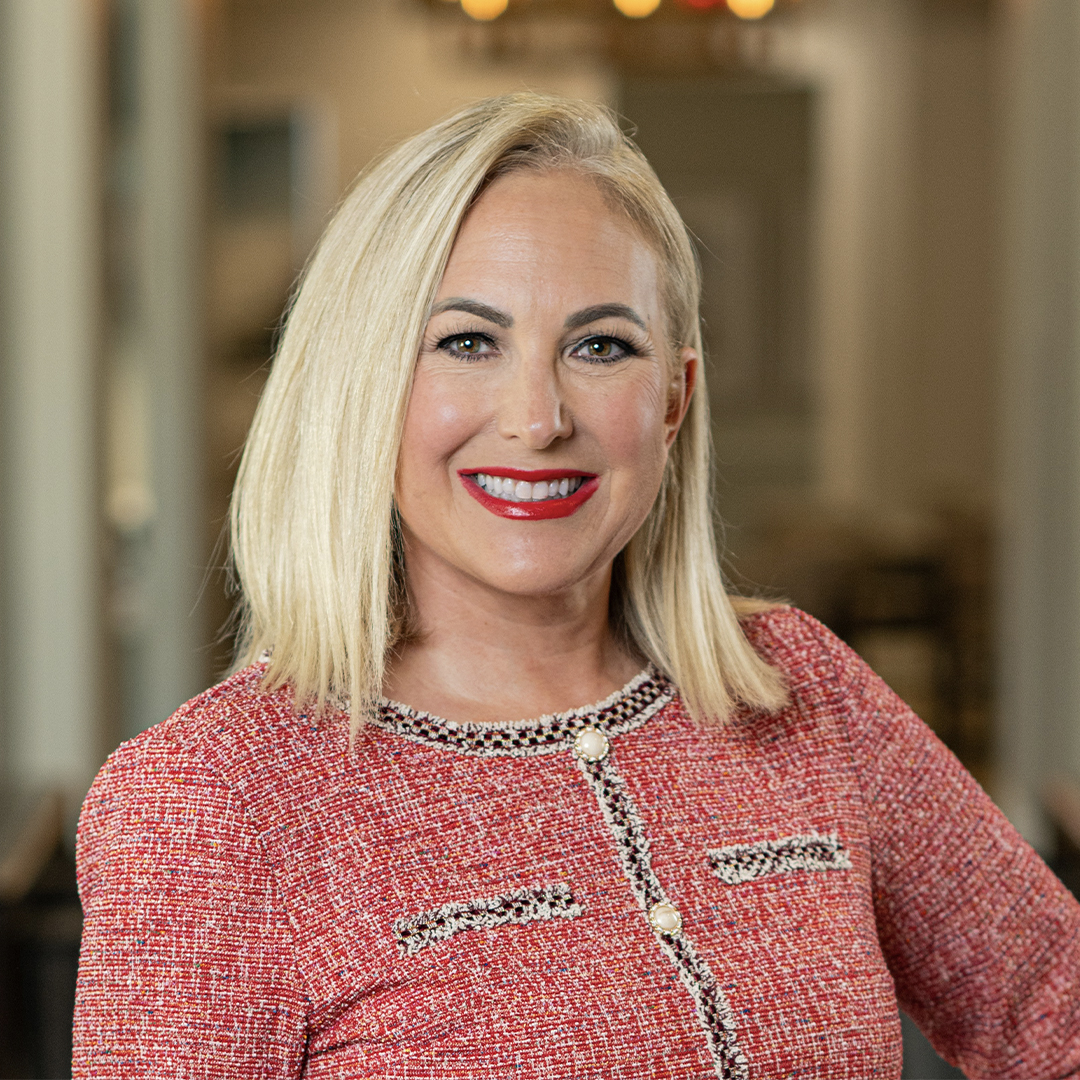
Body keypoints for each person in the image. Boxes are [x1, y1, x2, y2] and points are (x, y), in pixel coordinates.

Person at [73, 93, 1080, 1079]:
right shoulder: (215, 800)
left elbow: (1054, 1007)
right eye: (467, 342)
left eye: (601, 347)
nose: (538, 417)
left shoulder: (803, 691)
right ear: (363, 388)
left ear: (674, 399)